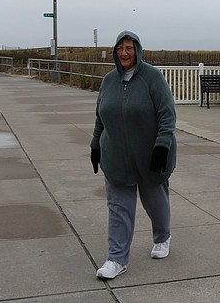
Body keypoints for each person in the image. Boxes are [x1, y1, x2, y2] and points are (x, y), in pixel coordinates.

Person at [90, 30, 177, 280]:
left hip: (150, 156)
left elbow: (167, 115)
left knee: (155, 202)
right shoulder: (108, 81)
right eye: (120, 49)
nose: (124, 53)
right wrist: (95, 144)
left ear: (137, 51)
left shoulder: (152, 78)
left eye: (129, 48)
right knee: (119, 208)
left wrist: (162, 145)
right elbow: (100, 116)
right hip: (116, 157)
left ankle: (163, 237)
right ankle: (116, 258)